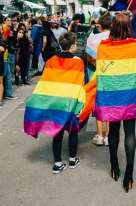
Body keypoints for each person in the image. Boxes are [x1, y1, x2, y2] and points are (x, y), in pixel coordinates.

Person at [93, 13, 136, 193]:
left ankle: (114, 166)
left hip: (112, 96)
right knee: (130, 132)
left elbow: (101, 71)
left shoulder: (103, 47)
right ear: (129, 27)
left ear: (113, 27)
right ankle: (129, 173)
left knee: (114, 130)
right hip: (130, 96)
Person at [23, 32, 86, 173]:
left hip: (54, 102)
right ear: (73, 46)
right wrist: (80, 104)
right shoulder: (78, 62)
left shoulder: (51, 61)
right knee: (73, 131)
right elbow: (80, 84)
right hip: (70, 102)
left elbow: (45, 83)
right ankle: (72, 160)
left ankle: (57, 164)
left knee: (56, 132)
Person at [85, 14, 111, 146]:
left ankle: (100, 135)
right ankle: (107, 137)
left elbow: (88, 57)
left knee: (99, 104)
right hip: (111, 75)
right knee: (110, 105)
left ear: (99, 26)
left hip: (96, 75)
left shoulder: (92, 38)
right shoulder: (115, 38)